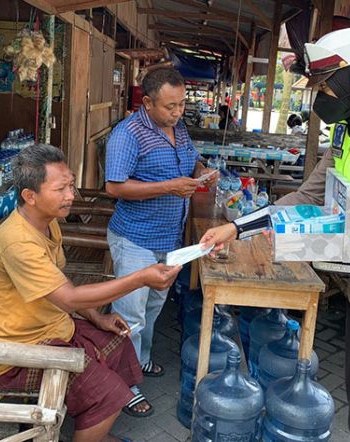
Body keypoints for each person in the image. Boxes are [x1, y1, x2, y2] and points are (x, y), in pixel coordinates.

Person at [199, 28, 350, 442]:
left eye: (327, 84)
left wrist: (320, 254)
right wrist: (237, 228)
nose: (321, 95)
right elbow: (307, 195)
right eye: (317, 85)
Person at [0, 144, 181, 441]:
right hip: (16, 355)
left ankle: (93, 429)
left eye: (71, 185)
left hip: (53, 329)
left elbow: (60, 283)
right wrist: (141, 278)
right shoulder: (17, 242)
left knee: (119, 343)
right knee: (110, 395)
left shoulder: (47, 223)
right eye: (61, 189)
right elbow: (69, 298)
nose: (71, 195)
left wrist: (97, 318)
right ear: (30, 196)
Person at [104, 68, 219, 410]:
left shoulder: (178, 128)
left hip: (169, 239)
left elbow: (191, 159)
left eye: (182, 104)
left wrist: (200, 173)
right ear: (148, 102)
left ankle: (139, 361)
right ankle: (123, 385)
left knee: (153, 306)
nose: (178, 112)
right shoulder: (128, 135)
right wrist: (169, 187)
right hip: (135, 238)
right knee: (130, 314)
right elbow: (114, 186)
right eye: (170, 106)